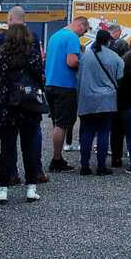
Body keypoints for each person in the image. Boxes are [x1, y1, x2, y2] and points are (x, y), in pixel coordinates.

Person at [0, 24, 45, 204]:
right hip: (29, 105)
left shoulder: (1, 55)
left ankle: (3, 190)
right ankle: (31, 188)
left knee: (7, 148)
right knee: (29, 148)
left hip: (7, 105)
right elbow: (41, 78)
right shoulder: (34, 55)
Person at [44, 17, 89, 172]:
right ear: (81, 24)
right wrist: (84, 64)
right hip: (65, 86)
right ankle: (56, 160)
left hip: (50, 83)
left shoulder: (55, 36)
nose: (83, 34)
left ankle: (57, 157)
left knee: (56, 123)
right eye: (84, 31)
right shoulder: (72, 37)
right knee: (62, 124)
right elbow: (71, 61)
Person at [76, 30, 124, 176]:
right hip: (107, 100)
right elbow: (120, 77)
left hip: (88, 99)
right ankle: (101, 167)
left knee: (87, 132)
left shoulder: (86, 56)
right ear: (108, 42)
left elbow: (79, 77)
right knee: (103, 133)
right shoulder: (115, 57)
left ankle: (84, 166)